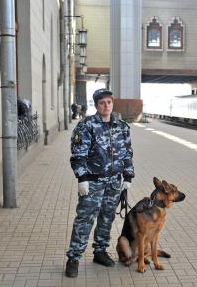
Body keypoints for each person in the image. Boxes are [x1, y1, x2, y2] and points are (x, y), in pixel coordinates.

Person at [65, 88, 135, 278]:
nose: (106, 106)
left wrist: (128, 177)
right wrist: (81, 179)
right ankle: (73, 258)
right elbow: (78, 155)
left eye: (109, 102)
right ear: (96, 105)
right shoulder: (86, 126)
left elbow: (127, 153)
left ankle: (100, 252)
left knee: (107, 218)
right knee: (84, 220)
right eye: (102, 103)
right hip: (92, 183)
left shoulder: (122, 127)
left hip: (114, 183)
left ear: (112, 104)